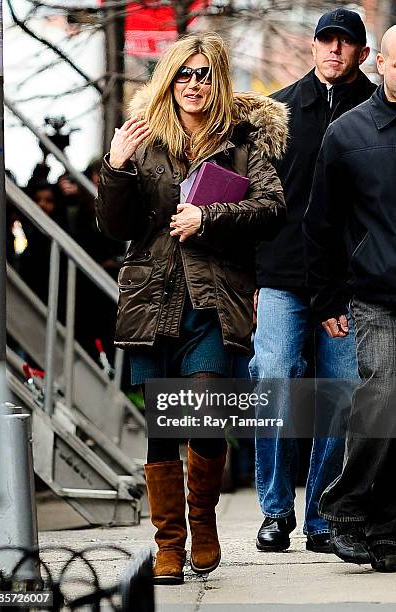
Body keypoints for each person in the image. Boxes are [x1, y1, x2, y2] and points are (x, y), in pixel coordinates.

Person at [96, 32, 287, 584]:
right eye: (184, 73)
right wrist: (117, 167)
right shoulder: (145, 139)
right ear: (169, 79)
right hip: (153, 300)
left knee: (202, 414)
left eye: (204, 74)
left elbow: (271, 208)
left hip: (212, 300)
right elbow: (116, 227)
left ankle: (202, 521)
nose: (194, 84)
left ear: (219, 79)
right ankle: (169, 545)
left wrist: (210, 220)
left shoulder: (241, 142)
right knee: (162, 426)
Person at [249, 8, 376, 554]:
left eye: (346, 43)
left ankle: (322, 514)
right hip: (282, 276)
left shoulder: (379, 113)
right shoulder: (275, 110)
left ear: (363, 54)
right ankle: (275, 511)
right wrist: (252, 278)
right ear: (313, 47)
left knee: (341, 396)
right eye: (326, 40)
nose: (335, 50)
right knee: (274, 377)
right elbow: (254, 198)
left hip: (350, 285)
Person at [304, 25, 396, 573]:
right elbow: (321, 224)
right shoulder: (348, 133)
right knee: (384, 393)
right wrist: (327, 297)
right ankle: (344, 504)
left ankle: (384, 526)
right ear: (380, 63)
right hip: (375, 294)